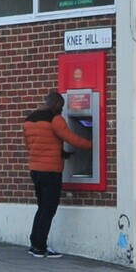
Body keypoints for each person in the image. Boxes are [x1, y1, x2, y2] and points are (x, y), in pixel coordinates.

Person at [23, 90, 91, 258]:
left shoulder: (29, 120)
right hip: (51, 172)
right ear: (55, 104)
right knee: (49, 209)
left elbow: (33, 144)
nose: (62, 110)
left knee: (42, 207)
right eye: (61, 106)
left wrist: (60, 152)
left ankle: (34, 244)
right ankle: (41, 247)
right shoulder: (55, 119)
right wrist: (94, 146)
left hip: (36, 170)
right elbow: (72, 139)